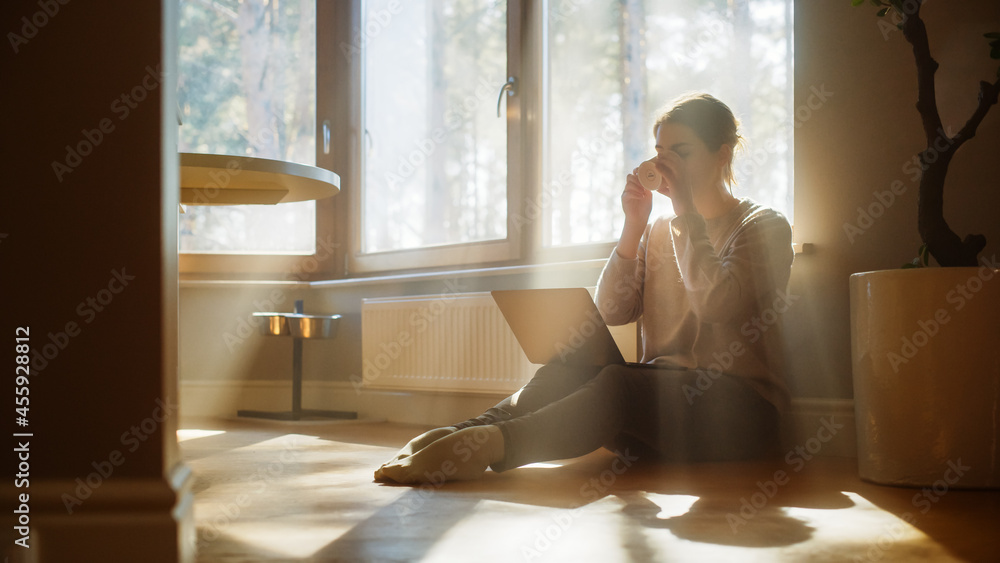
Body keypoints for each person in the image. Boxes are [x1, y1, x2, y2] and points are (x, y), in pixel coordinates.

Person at [374, 93, 794, 484]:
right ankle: (465, 433)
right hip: (661, 411)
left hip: (741, 415)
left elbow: (716, 305)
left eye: (681, 153)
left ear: (723, 155)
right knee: (570, 365)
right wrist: (633, 227)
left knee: (618, 384)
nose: (667, 167)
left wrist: (684, 211)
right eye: (661, 154)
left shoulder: (762, 226)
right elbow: (612, 311)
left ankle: (490, 448)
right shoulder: (658, 230)